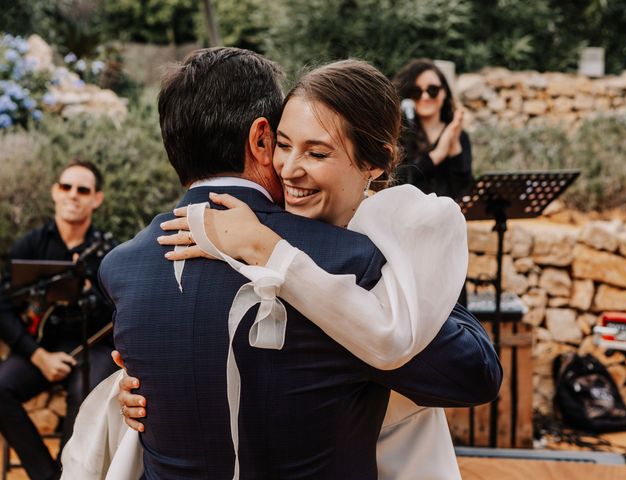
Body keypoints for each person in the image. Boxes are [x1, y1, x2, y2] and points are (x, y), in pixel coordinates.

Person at [63, 48, 501, 479]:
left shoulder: (125, 268)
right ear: (261, 139)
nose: (290, 168)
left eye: (316, 152)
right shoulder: (351, 261)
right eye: (284, 144)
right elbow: (473, 374)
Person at [0, 160, 117, 480]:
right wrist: (37, 355)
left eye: (83, 190)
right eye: (66, 187)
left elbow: (118, 313)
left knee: (88, 393)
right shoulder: (32, 244)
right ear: (55, 191)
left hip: (91, 348)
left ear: (97, 199)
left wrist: (94, 293)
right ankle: (49, 475)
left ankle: (72, 474)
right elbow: (4, 307)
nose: (73, 195)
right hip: (42, 346)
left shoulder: (109, 252)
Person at [393, 59, 473, 200]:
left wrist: (454, 147)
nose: (425, 96)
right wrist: (437, 155)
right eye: (416, 91)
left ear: (444, 93)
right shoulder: (398, 136)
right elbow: (395, 181)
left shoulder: (460, 136)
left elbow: (465, 191)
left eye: (433, 90)